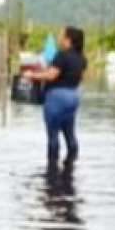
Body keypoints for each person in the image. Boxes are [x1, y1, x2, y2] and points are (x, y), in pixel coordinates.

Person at [23, 26, 87, 171]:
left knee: (53, 136)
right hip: (73, 96)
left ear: (68, 40)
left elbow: (52, 75)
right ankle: (70, 166)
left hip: (56, 97)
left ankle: (52, 170)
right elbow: (78, 77)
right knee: (70, 134)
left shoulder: (62, 55)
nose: (59, 38)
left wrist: (31, 75)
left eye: (61, 36)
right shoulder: (81, 58)